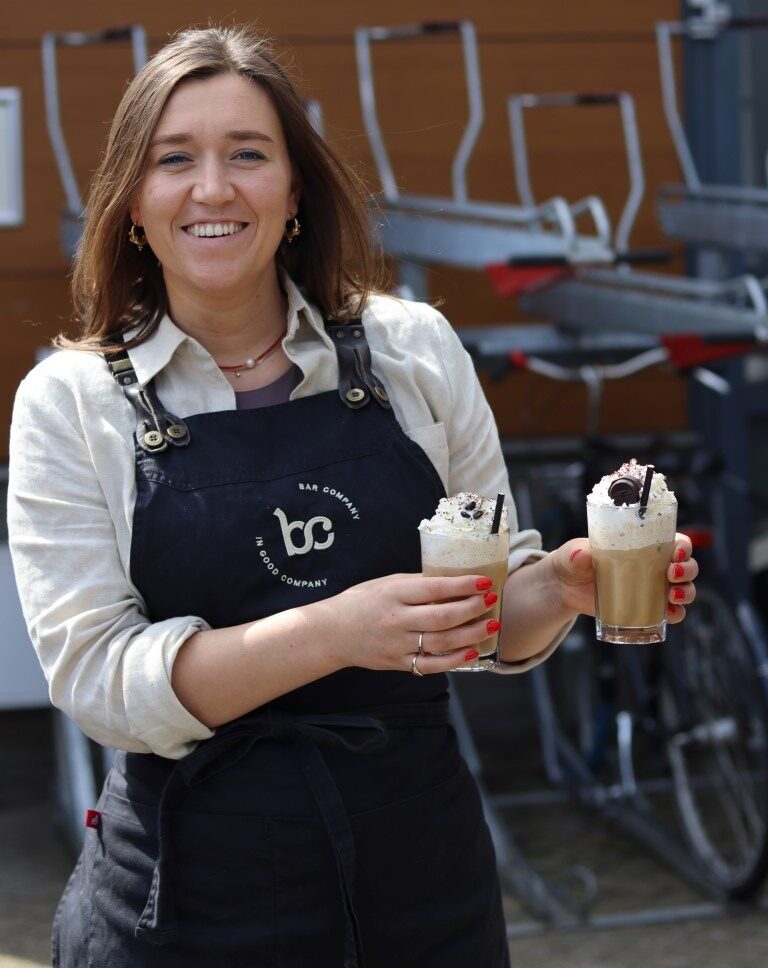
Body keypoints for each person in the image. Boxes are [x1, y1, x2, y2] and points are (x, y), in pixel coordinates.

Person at [7, 24, 698, 968]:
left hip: (422, 883)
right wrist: (338, 632)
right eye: (176, 159)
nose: (213, 188)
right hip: (189, 903)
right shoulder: (71, 403)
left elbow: (491, 620)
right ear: (133, 201)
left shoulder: (416, 351)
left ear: (295, 191)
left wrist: (565, 590)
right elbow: (101, 684)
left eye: (248, 154)